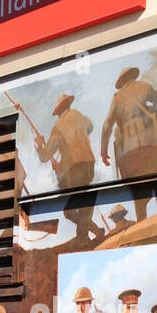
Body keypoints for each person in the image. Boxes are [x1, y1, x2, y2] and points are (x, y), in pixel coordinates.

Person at [99, 67, 157, 221]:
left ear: (122, 82)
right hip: (153, 151)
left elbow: (107, 125)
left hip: (130, 158)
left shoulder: (117, 98)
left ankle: (143, 223)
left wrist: (103, 151)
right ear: (133, 77)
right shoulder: (146, 90)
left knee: (140, 196)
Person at [35, 94, 103, 242]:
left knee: (71, 210)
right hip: (89, 163)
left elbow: (45, 156)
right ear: (68, 105)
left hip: (74, 169)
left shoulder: (58, 126)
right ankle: (96, 231)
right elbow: (90, 127)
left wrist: (40, 144)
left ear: (58, 111)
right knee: (72, 209)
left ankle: (82, 237)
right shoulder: (78, 115)